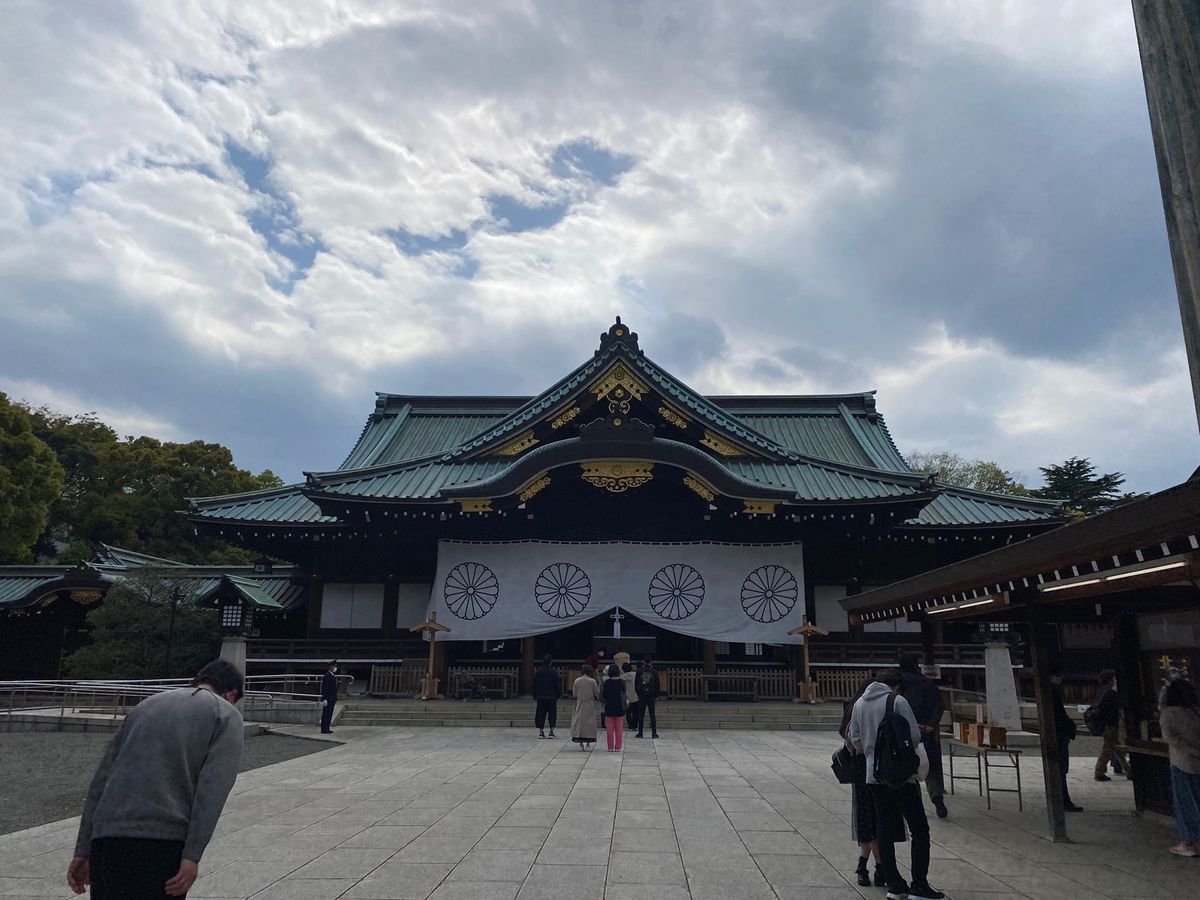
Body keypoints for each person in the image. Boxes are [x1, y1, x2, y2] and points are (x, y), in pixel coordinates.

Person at [67, 659, 245, 899]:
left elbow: (102, 780)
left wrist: (84, 848)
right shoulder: (224, 714)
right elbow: (212, 789)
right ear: (231, 695)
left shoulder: (145, 706)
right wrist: (192, 855)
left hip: (108, 839)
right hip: (163, 842)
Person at [850, 669, 944, 900]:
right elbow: (913, 737)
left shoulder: (859, 704)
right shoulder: (897, 701)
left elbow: (855, 739)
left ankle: (895, 884)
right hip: (901, 775)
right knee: (919, 828)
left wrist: (872, 753)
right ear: (897, 686)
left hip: (874, 775)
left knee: (884, 828)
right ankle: (919, 884)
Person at [840, 680, 886, 888]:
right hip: (870, 764)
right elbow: (853, 738)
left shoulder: (854, 706)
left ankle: (863, 865)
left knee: (867, 817)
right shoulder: (865, 707)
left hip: (860, 765)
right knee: (873, 817)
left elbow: (848, 737)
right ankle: (880, 866)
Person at [899, 655, 947, 818]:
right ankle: (937, 796)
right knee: (931, 765)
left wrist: (910, 724)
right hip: (927, 730)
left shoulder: (900, 685)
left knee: (909, 769)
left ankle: (914, 804)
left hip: (906, 731)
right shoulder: (928, 683)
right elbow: (939, 705)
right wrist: (931, 725)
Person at [1159, 677, 1200, 857]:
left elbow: (1170, 737)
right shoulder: (1194, 712)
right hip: (1197, 763)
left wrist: (1191, 750)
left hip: (1181, 762)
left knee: (1184, 803)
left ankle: (1187, 842)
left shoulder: (1168, 713)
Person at [1049, 673, 1083, 812]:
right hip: (1059, 733)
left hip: (1058, 732)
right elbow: (1061, 716)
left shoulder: (1049, 692)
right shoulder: (1053, 693)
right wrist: (1070, 728)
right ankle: (1063, 800)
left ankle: (1059, 799)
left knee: (1059, 769)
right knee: (1060, 768)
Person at [1092, 670, 1128, 781]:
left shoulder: (1101, 691)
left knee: (1116, 747)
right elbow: (1116, 707)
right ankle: (1099, 771)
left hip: (1106, 724)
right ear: (1110, 680)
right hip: (1111, 724)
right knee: (1108, 747)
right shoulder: (1111, 693)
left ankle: (1128, 769)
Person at [570, 665, 601, 751]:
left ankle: (580, 743)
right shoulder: (592, 681)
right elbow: (596, 693)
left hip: (580, 703)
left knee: (580, 723)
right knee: (589, 723)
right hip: (590, 703)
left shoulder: (577, 681)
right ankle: (588, 743)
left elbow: (574, 693)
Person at [533, 654, 561, 739]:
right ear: (550, 662)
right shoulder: (553, 672)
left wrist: (534, 694)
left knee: (541, 713)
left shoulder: (538, 672)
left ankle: (541, 731)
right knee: (552, 713)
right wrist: (558, 694)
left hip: (541, 696)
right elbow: (557, 684)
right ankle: (551, 731)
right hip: (551, 696)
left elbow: (535, 684)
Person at [601, 663, 627, 752]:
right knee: (619, 728)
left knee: (609, 729)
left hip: (609, 706)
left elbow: (604, 695)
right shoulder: (622, 682)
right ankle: (618, 747)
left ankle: (610, 746)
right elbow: (624, 693)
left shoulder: (607, 682)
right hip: (620, 707)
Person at [635, 655, 660, 739]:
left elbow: (636, 684)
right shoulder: (654, 671)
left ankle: (640, 733)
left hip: (642, 696)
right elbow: (657, 685)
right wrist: (656, 695)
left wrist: (638, 693)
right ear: (651, 662)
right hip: (651, 696)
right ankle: (654, 733)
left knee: (641, 714)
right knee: (652, 714)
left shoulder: (639, 671)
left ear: (644, 661)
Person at [320, 659, 339, 734]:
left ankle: (327, 727)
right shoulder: (327, 675)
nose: (335, 667)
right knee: (326, 713)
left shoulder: (332, 675)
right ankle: (324, 728)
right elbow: (325, 688)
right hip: (328, 698)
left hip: (332, 698)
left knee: (329, 713)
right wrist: (324, 698)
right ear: (330, 667)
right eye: (334, 666)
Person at [622, 661, 639, 731]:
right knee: (636, 712)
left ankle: (630, 726)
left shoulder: (622, 677)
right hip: (636, 696)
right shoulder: (636, 674)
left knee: (628, 713)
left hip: (627, 697)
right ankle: (635, 725)